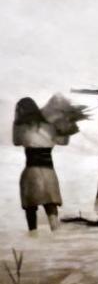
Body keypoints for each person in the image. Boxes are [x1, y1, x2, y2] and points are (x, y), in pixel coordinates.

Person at [12, 97, 67, 234]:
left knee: (30, 208)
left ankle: (33, 237)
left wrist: (16, 123)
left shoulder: (21, 127)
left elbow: (16, 142)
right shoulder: (48, 127)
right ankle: (57, 237)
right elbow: (63, 141)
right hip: (49, 172)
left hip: (31, 172)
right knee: (51, 207)